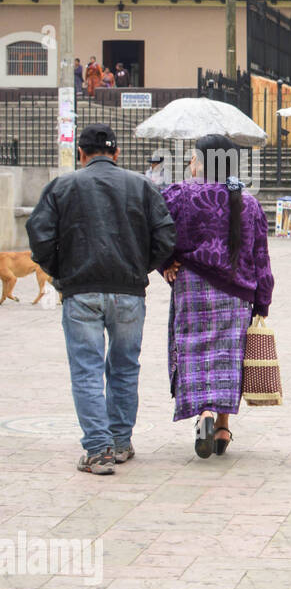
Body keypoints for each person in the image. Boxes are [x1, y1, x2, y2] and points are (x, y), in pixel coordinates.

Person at [25, 123, 177, 475]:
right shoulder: (141, 186)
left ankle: (98, 449)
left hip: (81, 291)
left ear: (81, 154)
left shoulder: (63, 186)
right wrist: (142, 267)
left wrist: (61, 271)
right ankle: (121, 443)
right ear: (117, 153)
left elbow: (39, 234)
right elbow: (166, 236)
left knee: (87, 371)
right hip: (128, 291)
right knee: (125, 368)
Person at [159, 134, 274, 458]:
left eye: (193, 158)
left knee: (195, 353)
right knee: (228, 358)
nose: (189, 164)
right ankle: (222, 428)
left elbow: (152, 228)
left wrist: (165, 262)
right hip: (236, 294)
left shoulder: (178, 195)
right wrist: (262, 301)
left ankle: (205, 416)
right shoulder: (248, 202)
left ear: (204, 162)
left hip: (191, 287)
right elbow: (260, 255)